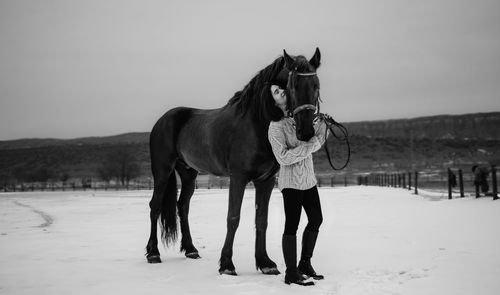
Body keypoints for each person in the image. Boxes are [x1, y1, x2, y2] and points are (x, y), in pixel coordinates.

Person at [267, 84, 329, 286]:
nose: (281, 92)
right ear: (273, 101)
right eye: (276, 92)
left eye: (281, 89)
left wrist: (322, 126)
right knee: (291, 225)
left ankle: (305, 263)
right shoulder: (276, 126)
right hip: (291, 183)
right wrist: (310, 146)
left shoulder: (302, 118)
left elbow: (318, 139)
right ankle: (291, 273)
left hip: (309, 180)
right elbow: (283, 158)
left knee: (316, 219)